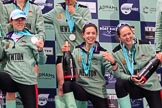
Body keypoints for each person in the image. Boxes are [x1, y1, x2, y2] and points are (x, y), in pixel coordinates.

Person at [61, 22, 118, 108]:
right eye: (88, 33)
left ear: (96, 35)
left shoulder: (103, 52)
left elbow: (115, 74)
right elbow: (69, 67)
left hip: (98, 91)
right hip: (82, 89)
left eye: (93, 33)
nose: (90, 36)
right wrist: (65, 53)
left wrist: (113, 62)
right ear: (83, 35)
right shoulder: (76, 51)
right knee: (67, 84)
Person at [43, 0, 91, 96]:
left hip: (79, 55)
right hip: (62, 54)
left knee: (80, 86)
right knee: (61, 85)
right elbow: (39, 18)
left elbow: (88, 29)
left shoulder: (84, 10)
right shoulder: (57, 10)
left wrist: (74, 13)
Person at [3, 0, 46, 107]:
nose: (20, 22)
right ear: (11, 21)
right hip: (10, 77)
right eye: (17, 19)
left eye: (22, 19)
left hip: (27, 79)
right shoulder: (6, 39)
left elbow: (42, 61)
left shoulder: (33, 38)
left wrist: (40, 49)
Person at [112, 22, 162, 108]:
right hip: (133, 85)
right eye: (124, 35)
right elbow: (118, 74)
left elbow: (157, 65)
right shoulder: (116, 53)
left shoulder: (145, 45)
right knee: (120, 84)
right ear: (119, 37)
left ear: (133, 32)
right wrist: (130, 78)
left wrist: (160, 60)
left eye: (129, 33)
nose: (128, 37)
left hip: (150, 85)